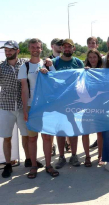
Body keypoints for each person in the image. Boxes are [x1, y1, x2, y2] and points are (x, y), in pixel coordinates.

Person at [18, 38, 58, 179]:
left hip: (46, 106)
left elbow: (55, 82)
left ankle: (48, 165)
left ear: (41, 49)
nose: (35, 49)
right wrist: (25, 109)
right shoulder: (25, 67)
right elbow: (24, 89)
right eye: (33, 47)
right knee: (32, 139)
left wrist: (48, 71)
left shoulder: (48, 64)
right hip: (31, 106)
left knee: (47, 137)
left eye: (38, 47)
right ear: (29, 49)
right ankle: (34, 166)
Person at [50, 39, 85, 169]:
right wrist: (44, 66)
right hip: (59, 102)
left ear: (73, 48)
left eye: (69, 47)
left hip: (75, 101)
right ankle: (61, 157)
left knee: (74, 129)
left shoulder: (78, 62)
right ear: (61, 49)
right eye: (65, 47)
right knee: (60, 130)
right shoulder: (55, 62)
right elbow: (45, 69)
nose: (67, 49)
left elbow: (83, 81)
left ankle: (74, 156)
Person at [0, 41, 32, 178]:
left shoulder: (25, 64)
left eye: (10, 50)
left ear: (17, 50)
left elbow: (39, 62)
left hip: (21, 106)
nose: (8, 52)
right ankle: (8, 164)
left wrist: (47, 61)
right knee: (7, 137)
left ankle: (29, 160)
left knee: (26, 135)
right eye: (6, 50)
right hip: (5, 106)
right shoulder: (1, 67)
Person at [83, 49, 104, 166]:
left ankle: (100, 156)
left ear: (98, 58)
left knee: (100, 133)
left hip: (99, 106)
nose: (92, 59)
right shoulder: (84, 71)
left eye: (94, 57)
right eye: (90, 57)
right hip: (86, 106)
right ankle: (87, 157)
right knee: (85, 132)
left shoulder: (104, 72)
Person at [49, 38, 63, 156]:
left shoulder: (64, 59)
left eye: (62, 44)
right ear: (52, 46)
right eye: (58, 44)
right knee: (53, 122)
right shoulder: (47, 60)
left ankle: (67, 143)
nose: (60, 46)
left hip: (64, 96)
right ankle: (52, 145)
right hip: (52, 96)